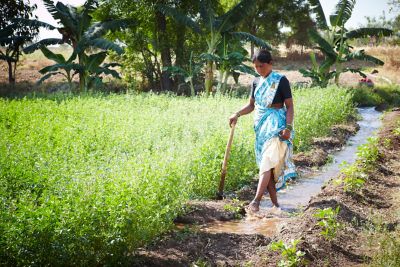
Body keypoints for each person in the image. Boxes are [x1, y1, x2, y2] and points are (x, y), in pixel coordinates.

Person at [229, 49, 297, 212]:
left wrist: (288, 127)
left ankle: (256, 202)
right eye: (256, 67)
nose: (259, 69)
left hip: (277, 127)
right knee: (268, 167)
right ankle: (276, 206)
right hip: (261, 127)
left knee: (267, 162)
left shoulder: (281, 80)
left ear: (270, 64)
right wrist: (237, 113)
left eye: (262, 66)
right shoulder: (256, 82)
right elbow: (252, 105)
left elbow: (290, 106)